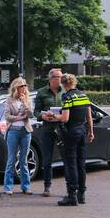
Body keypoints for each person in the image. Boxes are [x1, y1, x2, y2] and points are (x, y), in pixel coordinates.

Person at [50, 74, 94, 207]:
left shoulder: (67, 96)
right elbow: (89, 116)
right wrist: (91, 132)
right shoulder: (83, 95)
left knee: (71, 163)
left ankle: (71, 195)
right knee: (81, 163)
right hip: (82, 131)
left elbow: (65, 118)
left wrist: (53, 116)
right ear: (74, 82)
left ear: (63, 85)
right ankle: (82, 194)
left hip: (71, 133)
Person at [34, 68, 66, 197]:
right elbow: (36, 111)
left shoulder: (65, 91)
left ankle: (70, 188)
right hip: (47, 129)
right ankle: (47, 187)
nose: (60, 79)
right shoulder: (41, 92)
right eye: (58, 77)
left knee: (67, 158)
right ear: (51, 78)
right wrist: (42, 116)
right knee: (47, 160)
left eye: (61, 77)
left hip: (63, 129)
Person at [2, 77, 34, 195]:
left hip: (25, 132)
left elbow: (30, 114)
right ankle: (8, 187)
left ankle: (26, 186)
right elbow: (7, 116)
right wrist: (19, 118)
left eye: (25, 86)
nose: (24, 88)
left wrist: (25, 103)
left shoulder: (28, 100)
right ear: (16, 87)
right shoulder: (9, 100)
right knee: (11, 159)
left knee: (24, 160)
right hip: (13, 132)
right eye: (22, 86)